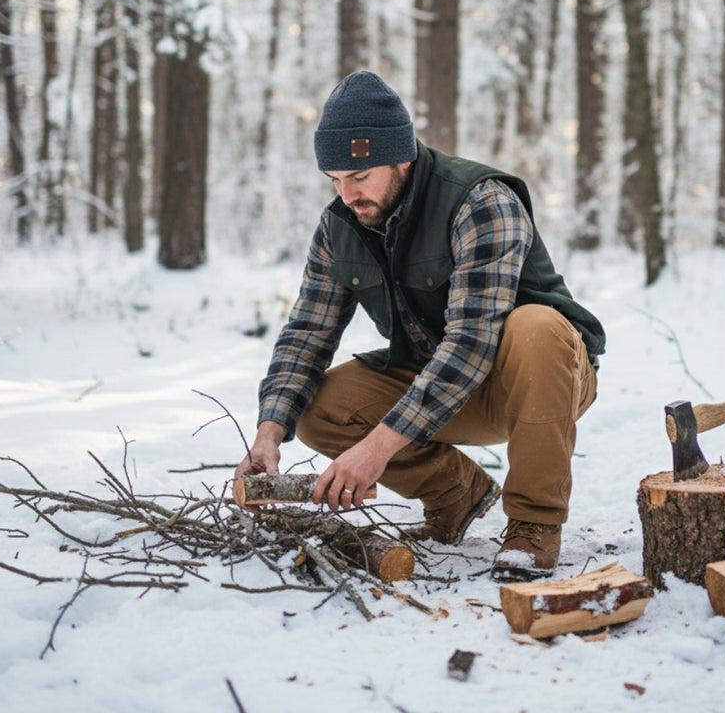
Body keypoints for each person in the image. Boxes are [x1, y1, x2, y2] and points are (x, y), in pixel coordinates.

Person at [233, 71, 605, 581]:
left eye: (360, 177)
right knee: (317, 406)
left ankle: (533, 524)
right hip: (440, 384)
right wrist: (268, 434)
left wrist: (376, 450)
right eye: (335, 179)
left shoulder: (482, 200)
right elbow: (306, 335)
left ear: (401, 156)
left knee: (536, 326)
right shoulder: (340, 226)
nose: (347, 195)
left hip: (537, 380)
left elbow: (472, 346)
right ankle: (456, 495)